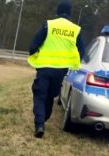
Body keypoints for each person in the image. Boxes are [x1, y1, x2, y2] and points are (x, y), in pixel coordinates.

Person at [27, 1, 84, 138]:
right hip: (61, 71)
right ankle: (43, 119)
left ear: (57, 12)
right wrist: (71, 62)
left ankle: (40, 124)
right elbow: (81, 51)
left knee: (40, 95)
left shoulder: (49, 25)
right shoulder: (76, 29)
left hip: (45, 67)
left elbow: (34, 44)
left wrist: (34, 54)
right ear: (70, 13)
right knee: (51, 96)